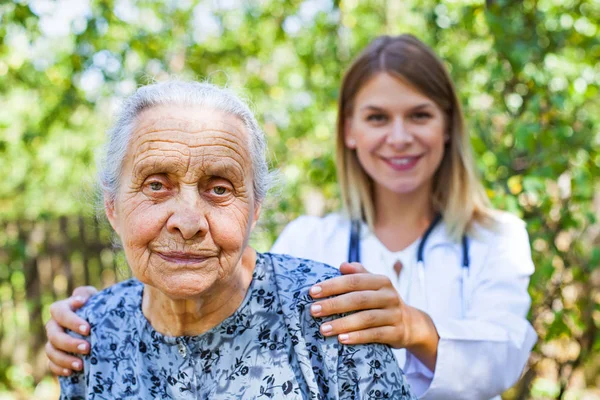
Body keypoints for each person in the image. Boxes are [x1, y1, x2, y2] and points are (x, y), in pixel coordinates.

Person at [47, 35, 537, 399]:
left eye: (420, 115)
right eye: (377, 118)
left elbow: (508, 352)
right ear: (349, 130)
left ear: (449, 126)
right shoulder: (310, 235)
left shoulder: (496, 236)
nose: (399, 136)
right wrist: (103, 311)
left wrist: (414, 328)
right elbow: (225, 280)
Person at [56, 80, 416, 399]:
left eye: (219, 188)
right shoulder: (89, 334)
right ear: (113, 207)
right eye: (156, 185)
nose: (188, 222)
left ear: (255, 209)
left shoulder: (334, 322)